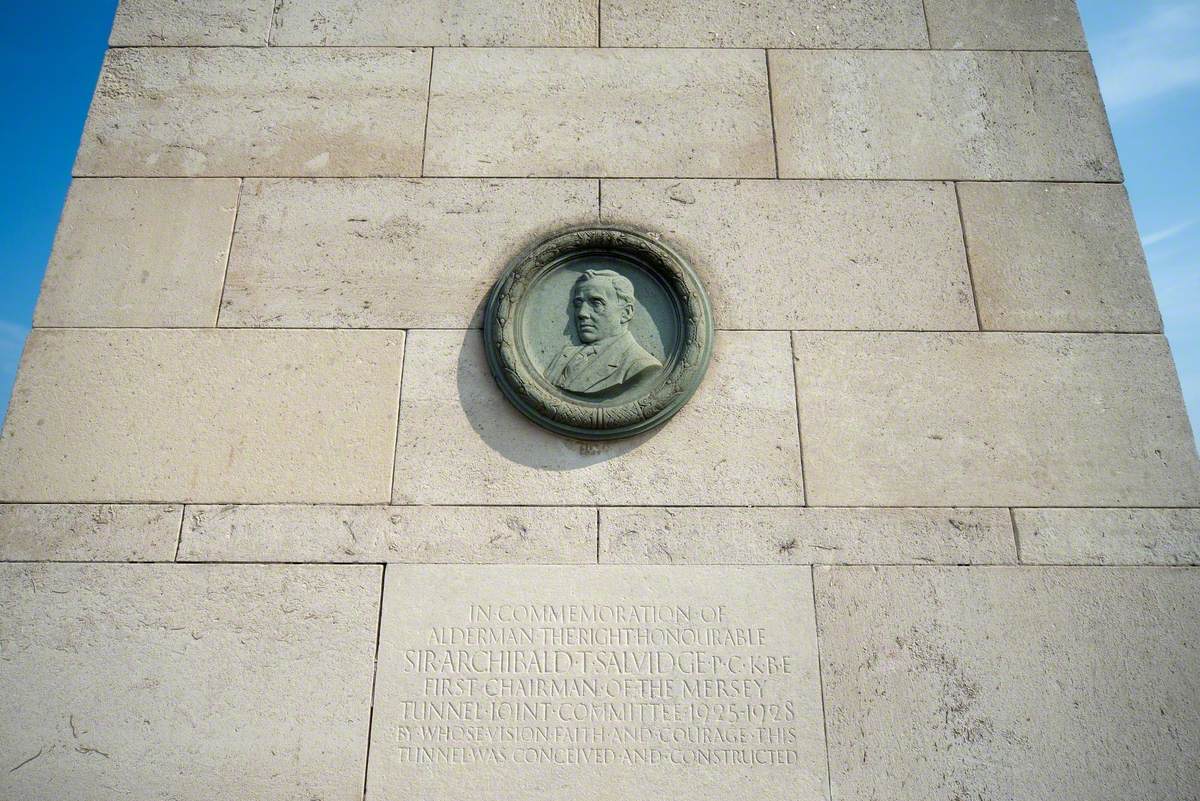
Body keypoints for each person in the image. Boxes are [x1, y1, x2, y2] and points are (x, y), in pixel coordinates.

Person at [544, 269, 662, 395]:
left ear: (626, 313)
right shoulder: (565, 355)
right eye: (578, 304)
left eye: (596, 303)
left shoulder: (640, 365)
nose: (581, 313)